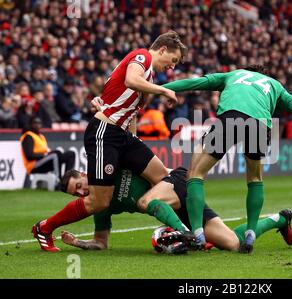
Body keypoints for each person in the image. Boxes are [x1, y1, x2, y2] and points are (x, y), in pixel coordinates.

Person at [31, 31, 189, 250]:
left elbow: (128, 108)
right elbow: (130, 80)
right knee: (100, 201)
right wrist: (163, 91)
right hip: (104, 133)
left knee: (164, 178)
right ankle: (44, 228)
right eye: (173, 61)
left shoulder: (149, 76)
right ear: (162, 50)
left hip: (122, 135)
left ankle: (185, 232)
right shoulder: (142, 56)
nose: (172, 67)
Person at [162, 65, 292, 253]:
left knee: (196, 174)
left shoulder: (233, 75)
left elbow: (197, 82)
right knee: (255, 179)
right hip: (260, 125)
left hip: (230, 118)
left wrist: (161, 87)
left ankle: (197, 234)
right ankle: (251, 234)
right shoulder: (274, 85)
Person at [56, 167, 292, 253]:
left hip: (177, 184)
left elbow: (129, 138)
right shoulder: (101, 205)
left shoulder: (110, 167)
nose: (79, 193)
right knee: (234, 244)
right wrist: (78, 243)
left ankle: (183, 233)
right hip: (172, 207)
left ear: (85, 174)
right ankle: (279, 219)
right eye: (74, 194)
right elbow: (101, 242)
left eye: (78, 186)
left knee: (145, 202)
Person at [20, 116, 75, 181]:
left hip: (43, 161)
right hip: (33, 165)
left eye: (40, 123)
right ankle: (58, 181)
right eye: (35, 123)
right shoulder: (28, 136)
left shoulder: (41, 136)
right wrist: (45, 155)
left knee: (70, 154)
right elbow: (29, 156)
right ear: (31, 124)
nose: (38, 125)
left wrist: (47, 154)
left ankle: (67, 181)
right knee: (56, 154)